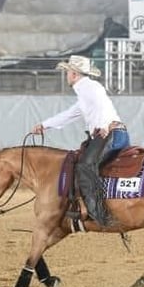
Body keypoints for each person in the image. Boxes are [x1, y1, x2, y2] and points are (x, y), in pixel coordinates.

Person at [30, 55, 129, 226]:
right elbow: (69, 114)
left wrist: (105, 125)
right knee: (80, 164)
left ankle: (98, 213)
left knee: (84, 166)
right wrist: (44, 125)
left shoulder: (91, 88)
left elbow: (101, 104)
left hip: (110, 133)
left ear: (74, 74)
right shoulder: (84, 94)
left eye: (67, 72)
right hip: (110, 133)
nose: (66, 75)